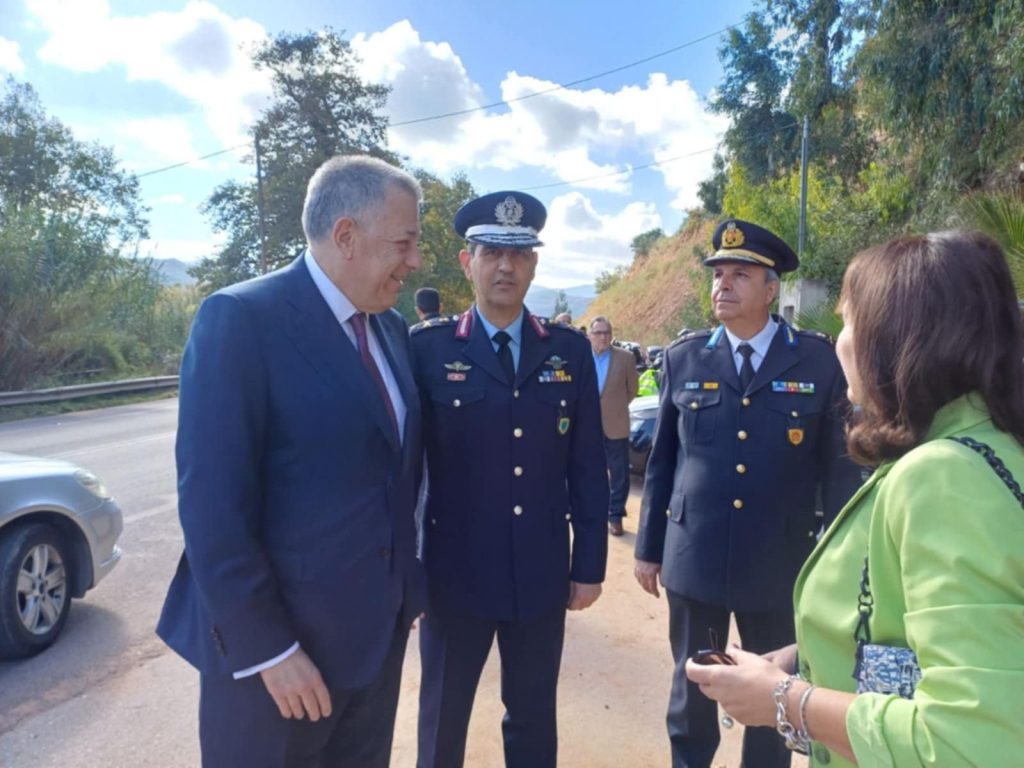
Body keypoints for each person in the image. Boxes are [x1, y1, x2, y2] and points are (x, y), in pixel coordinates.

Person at [686, 231, 1024, 767]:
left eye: (848, 320)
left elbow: (969, 740)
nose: (839, 340)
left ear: (897, 336)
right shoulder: (983, 445)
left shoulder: (943, 476)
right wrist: (811, 657)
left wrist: (785, 700)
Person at [157, 155, 427, 768]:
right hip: (277, 670)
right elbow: (212, 506)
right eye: (404, 243)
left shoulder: (389, 331)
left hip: (373, 649)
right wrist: (269, 649)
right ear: (346, 237)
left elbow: (395, 476)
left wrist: (403, 595)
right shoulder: (241, 319)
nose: (414, 262)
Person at [634, 218, 863, 768]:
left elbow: (836, 472)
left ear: (771, 288)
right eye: (718, 274)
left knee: (773, 692)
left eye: (740, 274)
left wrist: (837, 563)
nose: (723, 285)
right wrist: (648, 547)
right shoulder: (684, 357)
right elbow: (663, 459)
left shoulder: (816, 361)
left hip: (779, 558)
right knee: (692, 690)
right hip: (696, 555)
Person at [411, 190, 609, 768]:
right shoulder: (428, 348)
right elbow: (403, 474)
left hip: (539, 573)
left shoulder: (567, 351)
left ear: (534, 265)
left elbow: (587, 465)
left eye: (518, 255)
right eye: (490, 252)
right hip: (453, 576)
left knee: (532, 721)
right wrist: (406, 572)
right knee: (442, 722)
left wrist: (589, 564)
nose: (505, 266)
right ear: (466, 262)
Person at [589, 315, 639, 536]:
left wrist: (614, 406)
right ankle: (592, 512)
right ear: (590, 335)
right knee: (589, 471)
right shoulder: (582, 357)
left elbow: (633, 390)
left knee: (619, 473)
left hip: (616, 424)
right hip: (587, 425)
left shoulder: (625, 358)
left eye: (607, 332)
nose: (603, 337)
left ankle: (616, 515)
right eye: (598, 332)